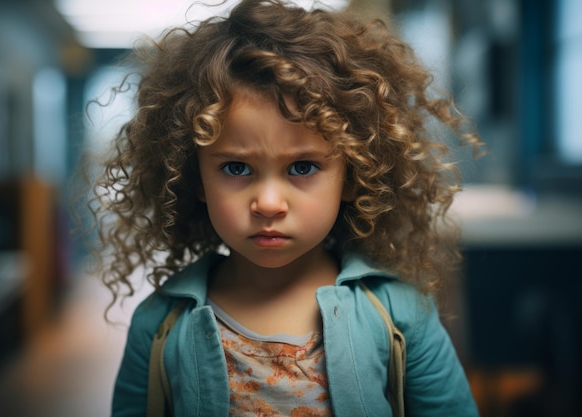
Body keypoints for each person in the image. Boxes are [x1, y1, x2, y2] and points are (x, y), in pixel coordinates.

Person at [87, 0, 484, 415]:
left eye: (303, 166)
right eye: (236, 167)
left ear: (352, 176)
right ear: (194, 177)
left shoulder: (400, 316)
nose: (269, 204)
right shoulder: (159, 327)